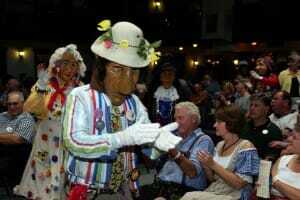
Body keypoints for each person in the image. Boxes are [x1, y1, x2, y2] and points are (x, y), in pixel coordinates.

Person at [61, 20, 179, 200]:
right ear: (102, 69)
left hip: (126, 189)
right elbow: (74, 142)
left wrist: (156, 143)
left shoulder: (135, 104)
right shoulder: (80, 97)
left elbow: (147, 149)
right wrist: (119, 139)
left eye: (134, 71)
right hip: (90, 192)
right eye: (117, 68)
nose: (127, 80)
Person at [14, 44, 86, 200]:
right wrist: (40, 85)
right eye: (65, 64)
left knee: (65, 184)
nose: (69, 69)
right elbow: (29, 108)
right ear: (57, 66)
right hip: (45, 143)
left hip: (68, 144)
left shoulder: (80, 89)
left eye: (73, 65)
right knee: (42, 182)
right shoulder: (46, 86)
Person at [181, 105, 260, 200]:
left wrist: (213, 164)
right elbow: (213, 180)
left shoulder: (245, 146)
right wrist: (206, 165)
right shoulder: (219, 145)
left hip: (235, 195)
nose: (214, 125)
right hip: (216, 192)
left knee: (190, 197)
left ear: (230, 123)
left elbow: (240, 184)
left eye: (218, 122)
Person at [140, 101, 215, 200]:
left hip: (184, 191)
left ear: (193, 119)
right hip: (160, 185)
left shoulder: (203, 140)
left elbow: (192, 173)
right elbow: (151, 164)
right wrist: (146, 144)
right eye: (175, 118)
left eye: (180, 118)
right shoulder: (174, 135)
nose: (176, 122)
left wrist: (173, 151)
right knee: (133, 186)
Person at [0, 91, 36, 186]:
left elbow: (17, 139)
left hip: (16, 159)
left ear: (23, 103)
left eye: (15, 103)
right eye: (9, 104)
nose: (12, 107)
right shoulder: (2, 116)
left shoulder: (27, 118)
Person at [241, 94, 282, 161]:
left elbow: (270, 158)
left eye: (256, 105)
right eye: (251, 105)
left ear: (267, 109)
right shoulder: (244, 126)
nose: (252, 108)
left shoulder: (274, 131)